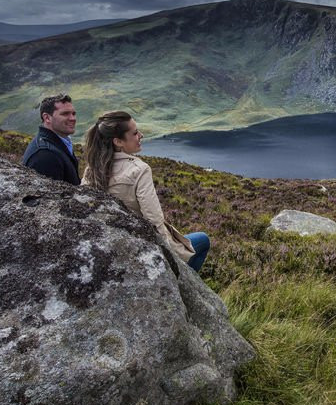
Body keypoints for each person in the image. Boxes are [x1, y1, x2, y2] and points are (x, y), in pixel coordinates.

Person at [81, 111, 210, 272]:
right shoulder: (139, 170)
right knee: (203, 240)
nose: (140, 135)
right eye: (134, 133)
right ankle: (186, 285)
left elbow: (86, 207)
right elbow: (154, 219)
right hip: (140, 245)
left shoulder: (92, 170)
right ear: (118, 141)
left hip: (106, 243)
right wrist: (172, 260)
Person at [22, 94, 80, 185]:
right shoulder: (45, 155)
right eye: (65, 114)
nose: (73, 118)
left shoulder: (59, 142)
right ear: (47, 118)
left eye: (73, 113)